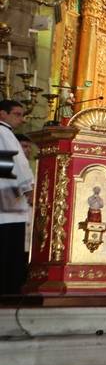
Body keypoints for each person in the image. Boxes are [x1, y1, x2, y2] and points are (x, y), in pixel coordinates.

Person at [0, 100, 34, 295]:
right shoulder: (4, 133)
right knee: (10, 247)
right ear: (2, 114)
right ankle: (9, 289)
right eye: (17, 114)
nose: (21, 119)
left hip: (7, 197)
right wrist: (27, 188)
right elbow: (16, 164)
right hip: (9, 202)